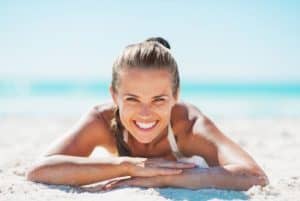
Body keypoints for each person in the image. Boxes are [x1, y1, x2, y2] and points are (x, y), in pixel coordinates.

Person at [26, 37, 269, 191]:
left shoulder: (189, 125)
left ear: (176, 96)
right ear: (114, 96)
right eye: (132, 99)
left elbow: (254, 175)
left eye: (159, 99)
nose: (145, 113)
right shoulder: (101, 120)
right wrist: (127, 166)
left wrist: (164, 178)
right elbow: (40, 169)